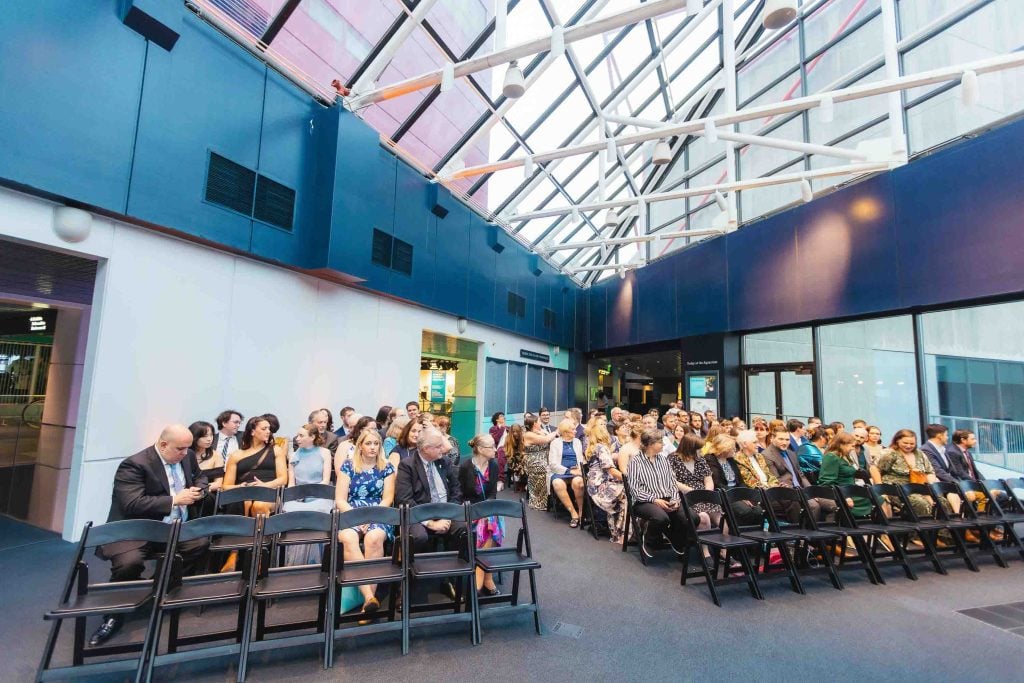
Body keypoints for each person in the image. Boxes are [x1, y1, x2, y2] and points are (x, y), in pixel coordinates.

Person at [90, 425, 209, 646]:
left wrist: (199, 489)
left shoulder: (187, 455)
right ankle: (114, 615)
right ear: (163, 445)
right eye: (180, 449)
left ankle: (158, 590)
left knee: (199, 544)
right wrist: (174, 500)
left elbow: (200, 477)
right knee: (129, 564)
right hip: (136, 530)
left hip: (174, 527)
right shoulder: (135, 465)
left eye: (187, 449)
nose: (186, 453)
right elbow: (132, 503)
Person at [337, 429, 396, 616]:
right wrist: (357, 517)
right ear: (360, 446)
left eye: (376, 444)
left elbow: (387, 499)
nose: (372, 447)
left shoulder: (386, 467)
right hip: (351, 511)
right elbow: (340, 499)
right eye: (368, 443)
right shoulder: (348, 466)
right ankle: (369, 597)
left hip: (378, 512)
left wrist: (370, 517)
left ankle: (367, 603)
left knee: (374, 538)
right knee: (347, 537)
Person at [395, 427, 463, 553]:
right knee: (418, 537)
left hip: (445, 512)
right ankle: (414, 570)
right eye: (438, 446)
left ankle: (453, 570)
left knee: (464, 530)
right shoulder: (407, 465)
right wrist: (430, 523)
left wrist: (448, 516)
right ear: (426, 448)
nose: (443, 449)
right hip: (419, 514)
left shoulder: (445, 461)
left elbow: (456, 490)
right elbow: (404, 499)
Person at [627, 430, 691, 558]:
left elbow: (672, 483)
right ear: (650, 444)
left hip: (667, 497)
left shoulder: (663, 460)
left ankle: (673, 536)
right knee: (661, 518)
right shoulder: (636, 462)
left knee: (692, 517)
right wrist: (654, 499)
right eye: (660, 442)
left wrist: (675, 499)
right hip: (644, 501)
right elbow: (634, 489)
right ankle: (650, 541)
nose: (663, 444)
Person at [282, 423, 334, 565]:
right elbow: (291, 483)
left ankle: (317, 561)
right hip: (298, 495)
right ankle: (294, 561)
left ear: (312, 437)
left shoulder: (324, 453)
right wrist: (297, 497)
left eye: (301, 436)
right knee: (290, 511)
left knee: (317, 510)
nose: (297, 438)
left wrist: (312, 493)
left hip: (319, 494)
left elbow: (325, 480)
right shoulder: (294, 455)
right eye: (297, 435)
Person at [877, 429, 955, 519]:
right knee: (921, 503)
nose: (908, 446)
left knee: (943, 502)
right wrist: (880, 489)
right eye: (905, 443)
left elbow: (930, 471)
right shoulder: (889, 453)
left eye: (912, 444)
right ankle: (923, 531)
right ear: (897, 441)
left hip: (920, 487)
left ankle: (941, 532)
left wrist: (929, 484)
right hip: (897, 489)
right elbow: (875, 469)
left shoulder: (920, 454)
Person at [762, 428, 836, 523]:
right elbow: (776, 480)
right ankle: (808, 534)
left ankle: (829, 536)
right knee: (814, 505)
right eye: (781, 439)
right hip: (789, 493)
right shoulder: (767, 455)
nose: (785, 442)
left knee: (834, 504)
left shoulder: (791, 453)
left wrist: (811, 491)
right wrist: (803, 494)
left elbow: (801, 475)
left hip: (803, 490)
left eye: (787, 439)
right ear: (772, 438)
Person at [459, 434, 502, 595]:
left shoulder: (494, 465)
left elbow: (492, 494)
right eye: (491, 447)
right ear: (481, 449)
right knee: (488, 523)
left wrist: (486, 508)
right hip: (469, 509)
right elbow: (460, 493)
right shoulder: (465, 467)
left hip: (488, 509)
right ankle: (486, 578)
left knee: (489, 521)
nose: (495, 449)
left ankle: (481, 576)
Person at [222, 416, 288, 517]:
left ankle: (262, 532)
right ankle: (242, 532)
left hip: (269, 490)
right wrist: (240, 486)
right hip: (243, 492)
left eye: (269, 429)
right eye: (264, 429)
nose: (268, 432)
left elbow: (283, 479)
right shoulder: (236, 455)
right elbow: (225, 486)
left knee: (259, 505)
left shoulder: (276, 450)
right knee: (245, 502)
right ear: (252, 432)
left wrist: (264, 485)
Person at [708, 432, 764, 526]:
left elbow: (740, 481)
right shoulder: (710, 460)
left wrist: (744, 495)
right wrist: (739, 495)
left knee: (758, 510)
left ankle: (756, 536)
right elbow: (718, 484)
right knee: (745, 511)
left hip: (738, 493)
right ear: (724, 447)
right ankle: (740, 535)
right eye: (732, 447)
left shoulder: (731, 460)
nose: (735, 449)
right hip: (724, 495)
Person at [669, 434, 721, 532]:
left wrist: (707, 492)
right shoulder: (673, 458)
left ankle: (724, 546)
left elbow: (708, 478)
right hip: (685, 494)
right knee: (703, 517)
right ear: (690, 448)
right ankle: (704, 547)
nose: (701, 451)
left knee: (721, 516)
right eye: (698, 449)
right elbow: (672, 481)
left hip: (703, 493)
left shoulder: (700, 459)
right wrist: (693, 492)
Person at [585, 423, 626, 543]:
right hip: (600, 486)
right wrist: (629, 478)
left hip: (596, 483)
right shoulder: (601, 448)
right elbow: (611, 470)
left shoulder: (595, 447)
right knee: (627, 492)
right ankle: (619, 533)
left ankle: (621, 530)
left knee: (626, 490)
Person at [817, 432, 872, 518]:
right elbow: (827, 482)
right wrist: (844, 496)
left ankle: (883, 530)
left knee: (876, 496)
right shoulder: (831, 457)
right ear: (841, 445)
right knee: (874, 499)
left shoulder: (845, 456)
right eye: (851, 446)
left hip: (851, 490)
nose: (852, 449)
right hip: (839, 493)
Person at [547, 418, 584, 525]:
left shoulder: (577, 442)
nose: (576, 431)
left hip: (575, 471)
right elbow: (553, 464)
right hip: (560, 472)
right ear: (565, 431)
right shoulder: (555, 443)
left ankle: (581, 511)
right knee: (557, 483)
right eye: (573, 429)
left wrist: (578, 469)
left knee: (579, 483)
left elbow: (580, 459)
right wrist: (568, 471)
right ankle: (573, 513)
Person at [489, 412, 509, 485]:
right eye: (501, 416)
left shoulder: (508, 428)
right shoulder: (492, 429)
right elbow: (496, 439)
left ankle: (517, 476)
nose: (504, 417)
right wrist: (502, 428)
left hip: (509, 447)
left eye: (504, 416)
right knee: (501, 450)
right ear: (497, 419)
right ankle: (501, 479)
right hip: (499, 448)